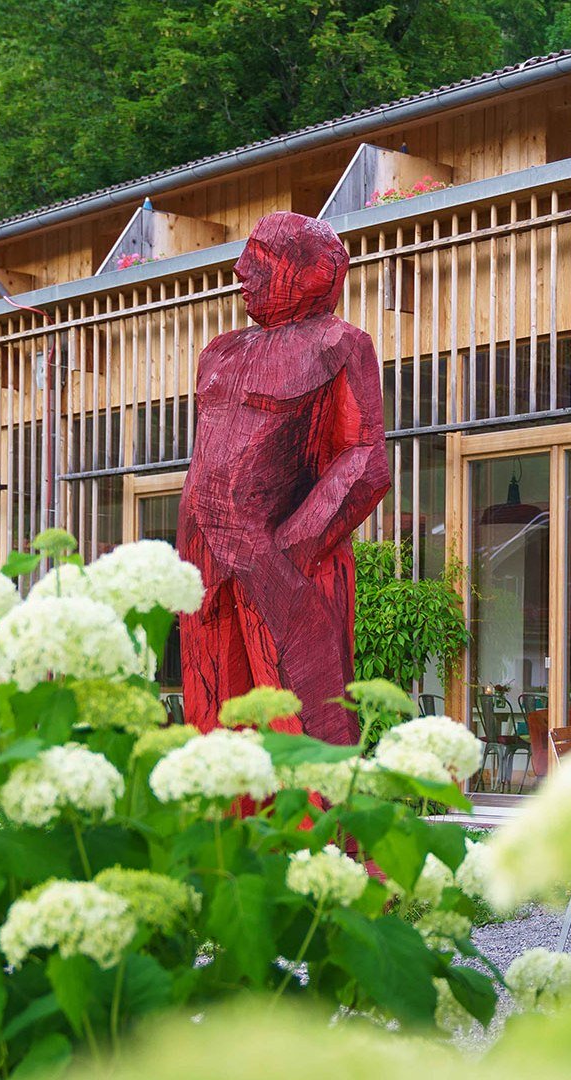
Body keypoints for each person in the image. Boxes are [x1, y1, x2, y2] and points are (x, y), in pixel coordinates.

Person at [178, 213, 390, 744]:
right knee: (213, 719)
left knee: (306, 723)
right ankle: (224, 827)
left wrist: (294, 547)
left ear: (316, 273)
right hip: (205, 562)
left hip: (286, 559)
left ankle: (317, 829)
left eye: (262, 257)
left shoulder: (340, 343)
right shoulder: (219, 353)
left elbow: (365, 459)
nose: (240, 269)